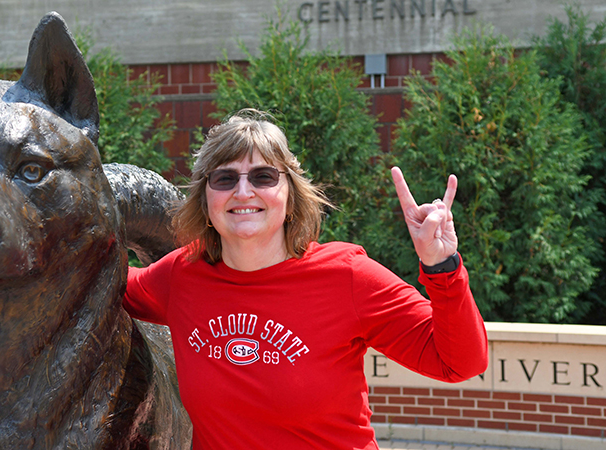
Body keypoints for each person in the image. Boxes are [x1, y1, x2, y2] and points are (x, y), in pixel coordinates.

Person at [123, 109, 488, 450]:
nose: (243, 191)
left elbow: (460, 363)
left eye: (263, 176)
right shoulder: (182, 276)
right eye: (225, 178)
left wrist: (442, 266)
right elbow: (98, 284)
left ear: (291, 196)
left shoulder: (347, 276)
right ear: (205, 199)